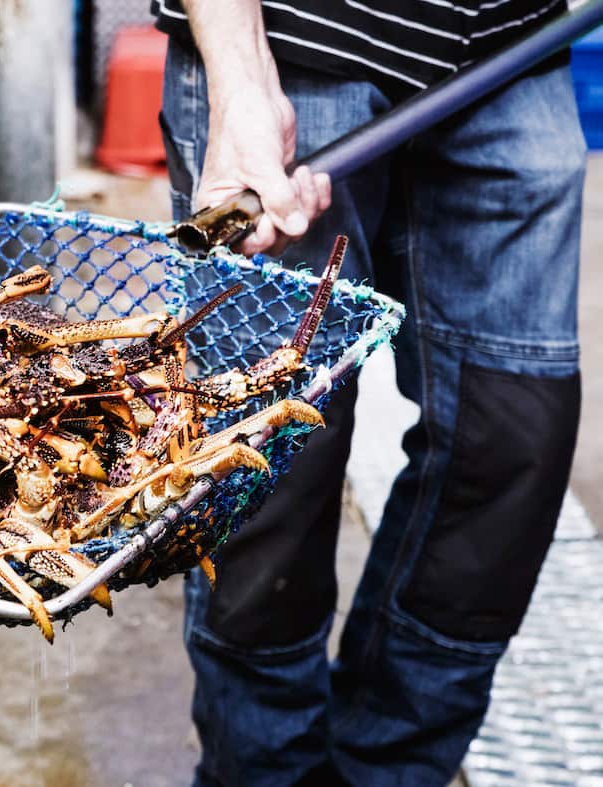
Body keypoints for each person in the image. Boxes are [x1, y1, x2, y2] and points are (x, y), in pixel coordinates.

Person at [151, 0, 585, 784]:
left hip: (509, 42)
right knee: (270, 474)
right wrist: (240, 81)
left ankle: (387, 767)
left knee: (511, 436)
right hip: (294, 48)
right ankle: (260, 769)